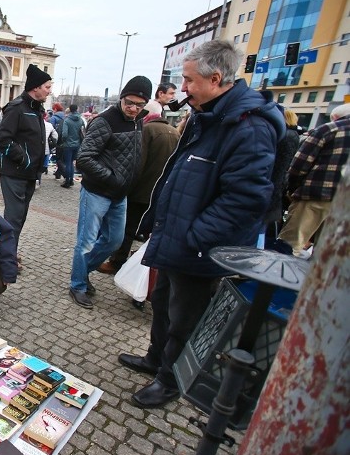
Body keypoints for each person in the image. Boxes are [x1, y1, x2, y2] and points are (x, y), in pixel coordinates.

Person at [120, 39, 283, 409]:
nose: (184, 88)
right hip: (177, 237)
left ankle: (170, 380)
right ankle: (155, 358)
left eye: (190, 80)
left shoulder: (249, 126)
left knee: (186, 317)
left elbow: (245, 199)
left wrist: (196, 237)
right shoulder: (208, 114)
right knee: (162, 304)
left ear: (216, 78)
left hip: (197, 247)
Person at [68, 75, 151, 309]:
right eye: (129, 103)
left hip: (120, 194)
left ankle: (83, 273)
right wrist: (112, 178)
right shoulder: (105, 121)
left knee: (114, 241)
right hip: (97, 192)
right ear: (122, 98)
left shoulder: (138, 121)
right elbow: (84, 158)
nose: (133, 108)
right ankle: (77, 285)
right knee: (86, 242)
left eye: (139, 104)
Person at [97, 100, 179, 275]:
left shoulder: (146, 130)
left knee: (128, 229)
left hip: (141, 190)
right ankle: (145, 269)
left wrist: (126, 186)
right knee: (149, 232)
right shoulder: (174, 132)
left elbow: (137, 162)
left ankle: (117, 262)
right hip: (159, 192)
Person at [278, 103, 350, 257]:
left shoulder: (328, 130)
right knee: (327, 253)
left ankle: (277, 279)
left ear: (335, 117)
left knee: (290, 247)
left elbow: (299, 165)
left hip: (316, 196)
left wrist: (292, 189)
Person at [0, 63, 52, 249]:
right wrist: (24, 159)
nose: (49, 91)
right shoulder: (16, 108)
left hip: (29, 174)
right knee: (14, 218)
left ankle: (8, 252)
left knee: (20, 218)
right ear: (36, 87)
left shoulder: (37, 109)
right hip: (14, 173)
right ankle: (6, 258)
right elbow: (3, 139)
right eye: (47, 87)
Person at [263, 107, 301, 249]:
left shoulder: (286, 136)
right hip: (275, 187)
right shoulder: (291, 135)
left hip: (272, 188)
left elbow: (280, 166)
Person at [57, 104, 83, 188]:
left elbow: (64, 134)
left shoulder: (67, 120)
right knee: (72, 162)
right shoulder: (81, 120)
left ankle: (67, 181)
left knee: (68, 163)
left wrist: (64, 141)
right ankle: (71, 179)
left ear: (70, 110)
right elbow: (82, 131)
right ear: (77, 109)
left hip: (68, 144)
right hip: (77, 144)